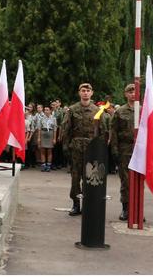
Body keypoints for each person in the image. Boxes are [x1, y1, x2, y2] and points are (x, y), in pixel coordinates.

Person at [63, 83, 104, 216]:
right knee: (75, 177)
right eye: (83, 90)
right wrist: (65, 146)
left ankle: (89, 204)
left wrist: (101, 149)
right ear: (79, 93)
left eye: (88, 91)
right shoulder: (72, 109)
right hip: (76, 147)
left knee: (91, 177)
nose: (85, 93)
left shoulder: (97, 110)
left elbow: (102, 131)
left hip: (92, 148)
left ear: (92, 93)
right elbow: (66, 130)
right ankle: (76, 204)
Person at [110, 84, 136, 221]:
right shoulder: (120, 112)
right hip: (124, 148)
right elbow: (113, 131)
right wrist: (114, 149)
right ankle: (126, 209)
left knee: (138, 181)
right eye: (130, 92)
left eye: (135, 91)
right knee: (125, 180)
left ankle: (137, 209)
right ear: (125, 94)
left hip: (139, 149)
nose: (133, 94)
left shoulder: (143, 110)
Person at [38, 106, 57, 172]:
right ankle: (43, 165)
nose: (46, 111)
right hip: (43, 133)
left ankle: (48, 165)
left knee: (49, 150)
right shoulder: (41, 118)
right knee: (42, 150)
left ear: (50, 111)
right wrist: (39, 138)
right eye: (45, 110)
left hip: (50, 134)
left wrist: (54, 138)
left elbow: (55, 129)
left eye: (47, 110)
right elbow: (39, 129)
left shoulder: (53, 118)